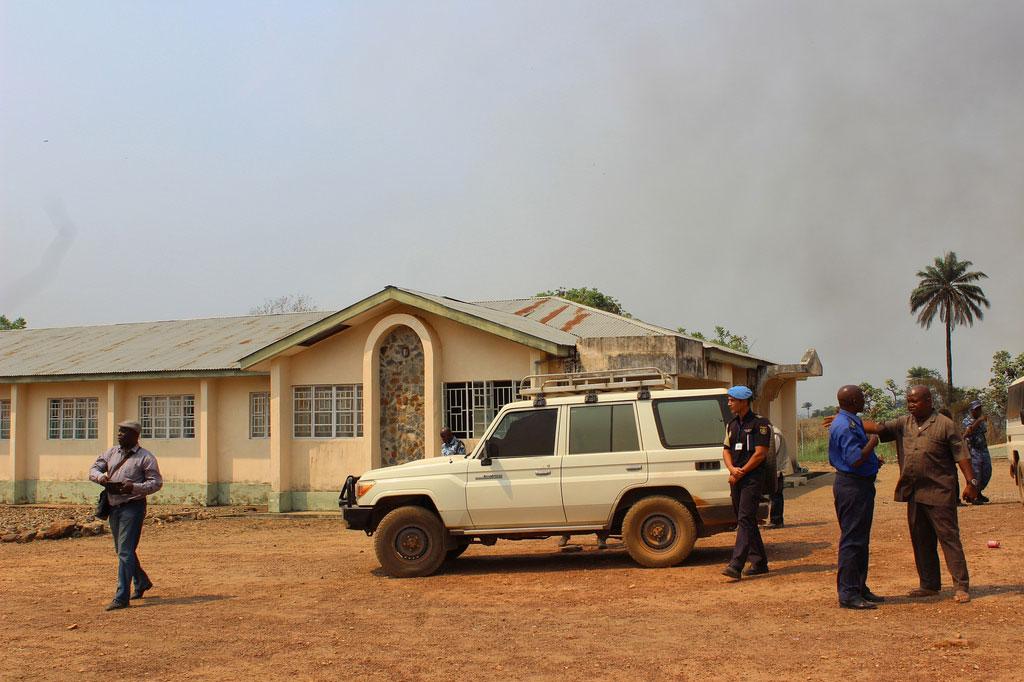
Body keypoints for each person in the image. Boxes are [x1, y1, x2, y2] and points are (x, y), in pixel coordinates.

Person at [858, 385, 978, 604]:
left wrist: (971, 483)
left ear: (929, 401)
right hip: (914, 491)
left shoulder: (944, 424)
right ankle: (929, 584)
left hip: (940, 491)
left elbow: (961, 454)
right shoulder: (904, 423)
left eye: (915, 401)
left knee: (948, 538)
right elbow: (878, 427)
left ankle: (961, 585)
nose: (910, 405)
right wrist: (848, 420)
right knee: (921, 539)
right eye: (909, 401)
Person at [88, 420, 163, 611]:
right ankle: (141, 581)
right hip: (113, 506)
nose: (119, 434)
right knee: (122, 550)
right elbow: (93, 469)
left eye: (124, 432)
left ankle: (121, 597)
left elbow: (156, 483)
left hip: (133, 507)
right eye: (119, 431)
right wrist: (101, 477)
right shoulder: (111, 453)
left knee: (125, 551)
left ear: (135, 436)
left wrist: (134, 487)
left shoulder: (145, 458)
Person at [828, 385, 885, 610]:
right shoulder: (845, 425)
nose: (864, 400)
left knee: (860, 540)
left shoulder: (850, 421)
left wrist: (873, 461)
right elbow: (854, 459)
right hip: (852, 487)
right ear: (852, 401)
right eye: (861, 397)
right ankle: (848, 593)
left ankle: (859, 587)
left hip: (858, 484)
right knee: (852, 540)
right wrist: (873, 442)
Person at [720, 385, 771, 580]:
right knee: (746, 520)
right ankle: (759, 562)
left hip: (752, 479)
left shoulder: (760, 424)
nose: (729, 403)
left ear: (743, 402)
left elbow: (760, 454)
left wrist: (741, 472)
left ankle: (736, 565)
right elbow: (726, 450)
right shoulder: (731, 425)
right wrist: (732, 469)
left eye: (732, 400)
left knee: (744, 518)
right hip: (736, 478)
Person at [961, 400, 992, 504]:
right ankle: (973, 496)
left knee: (987, 472)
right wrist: (978, 421)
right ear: (971, 410)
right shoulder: (967, 420)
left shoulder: (981, 421)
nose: (979, 411)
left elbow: (983, 432)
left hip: (983, 449)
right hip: (974, 450)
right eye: (976, 409)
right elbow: (968, 432)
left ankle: (978, 493)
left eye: (979, 408)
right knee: (976, 473)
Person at [767, 425, 792, 528]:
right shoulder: (772, 432)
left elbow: (771, 452)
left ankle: (776, 520)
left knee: (776, 495)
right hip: (773, 470)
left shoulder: (775, 434)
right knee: (774, 495)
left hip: (777, 470)